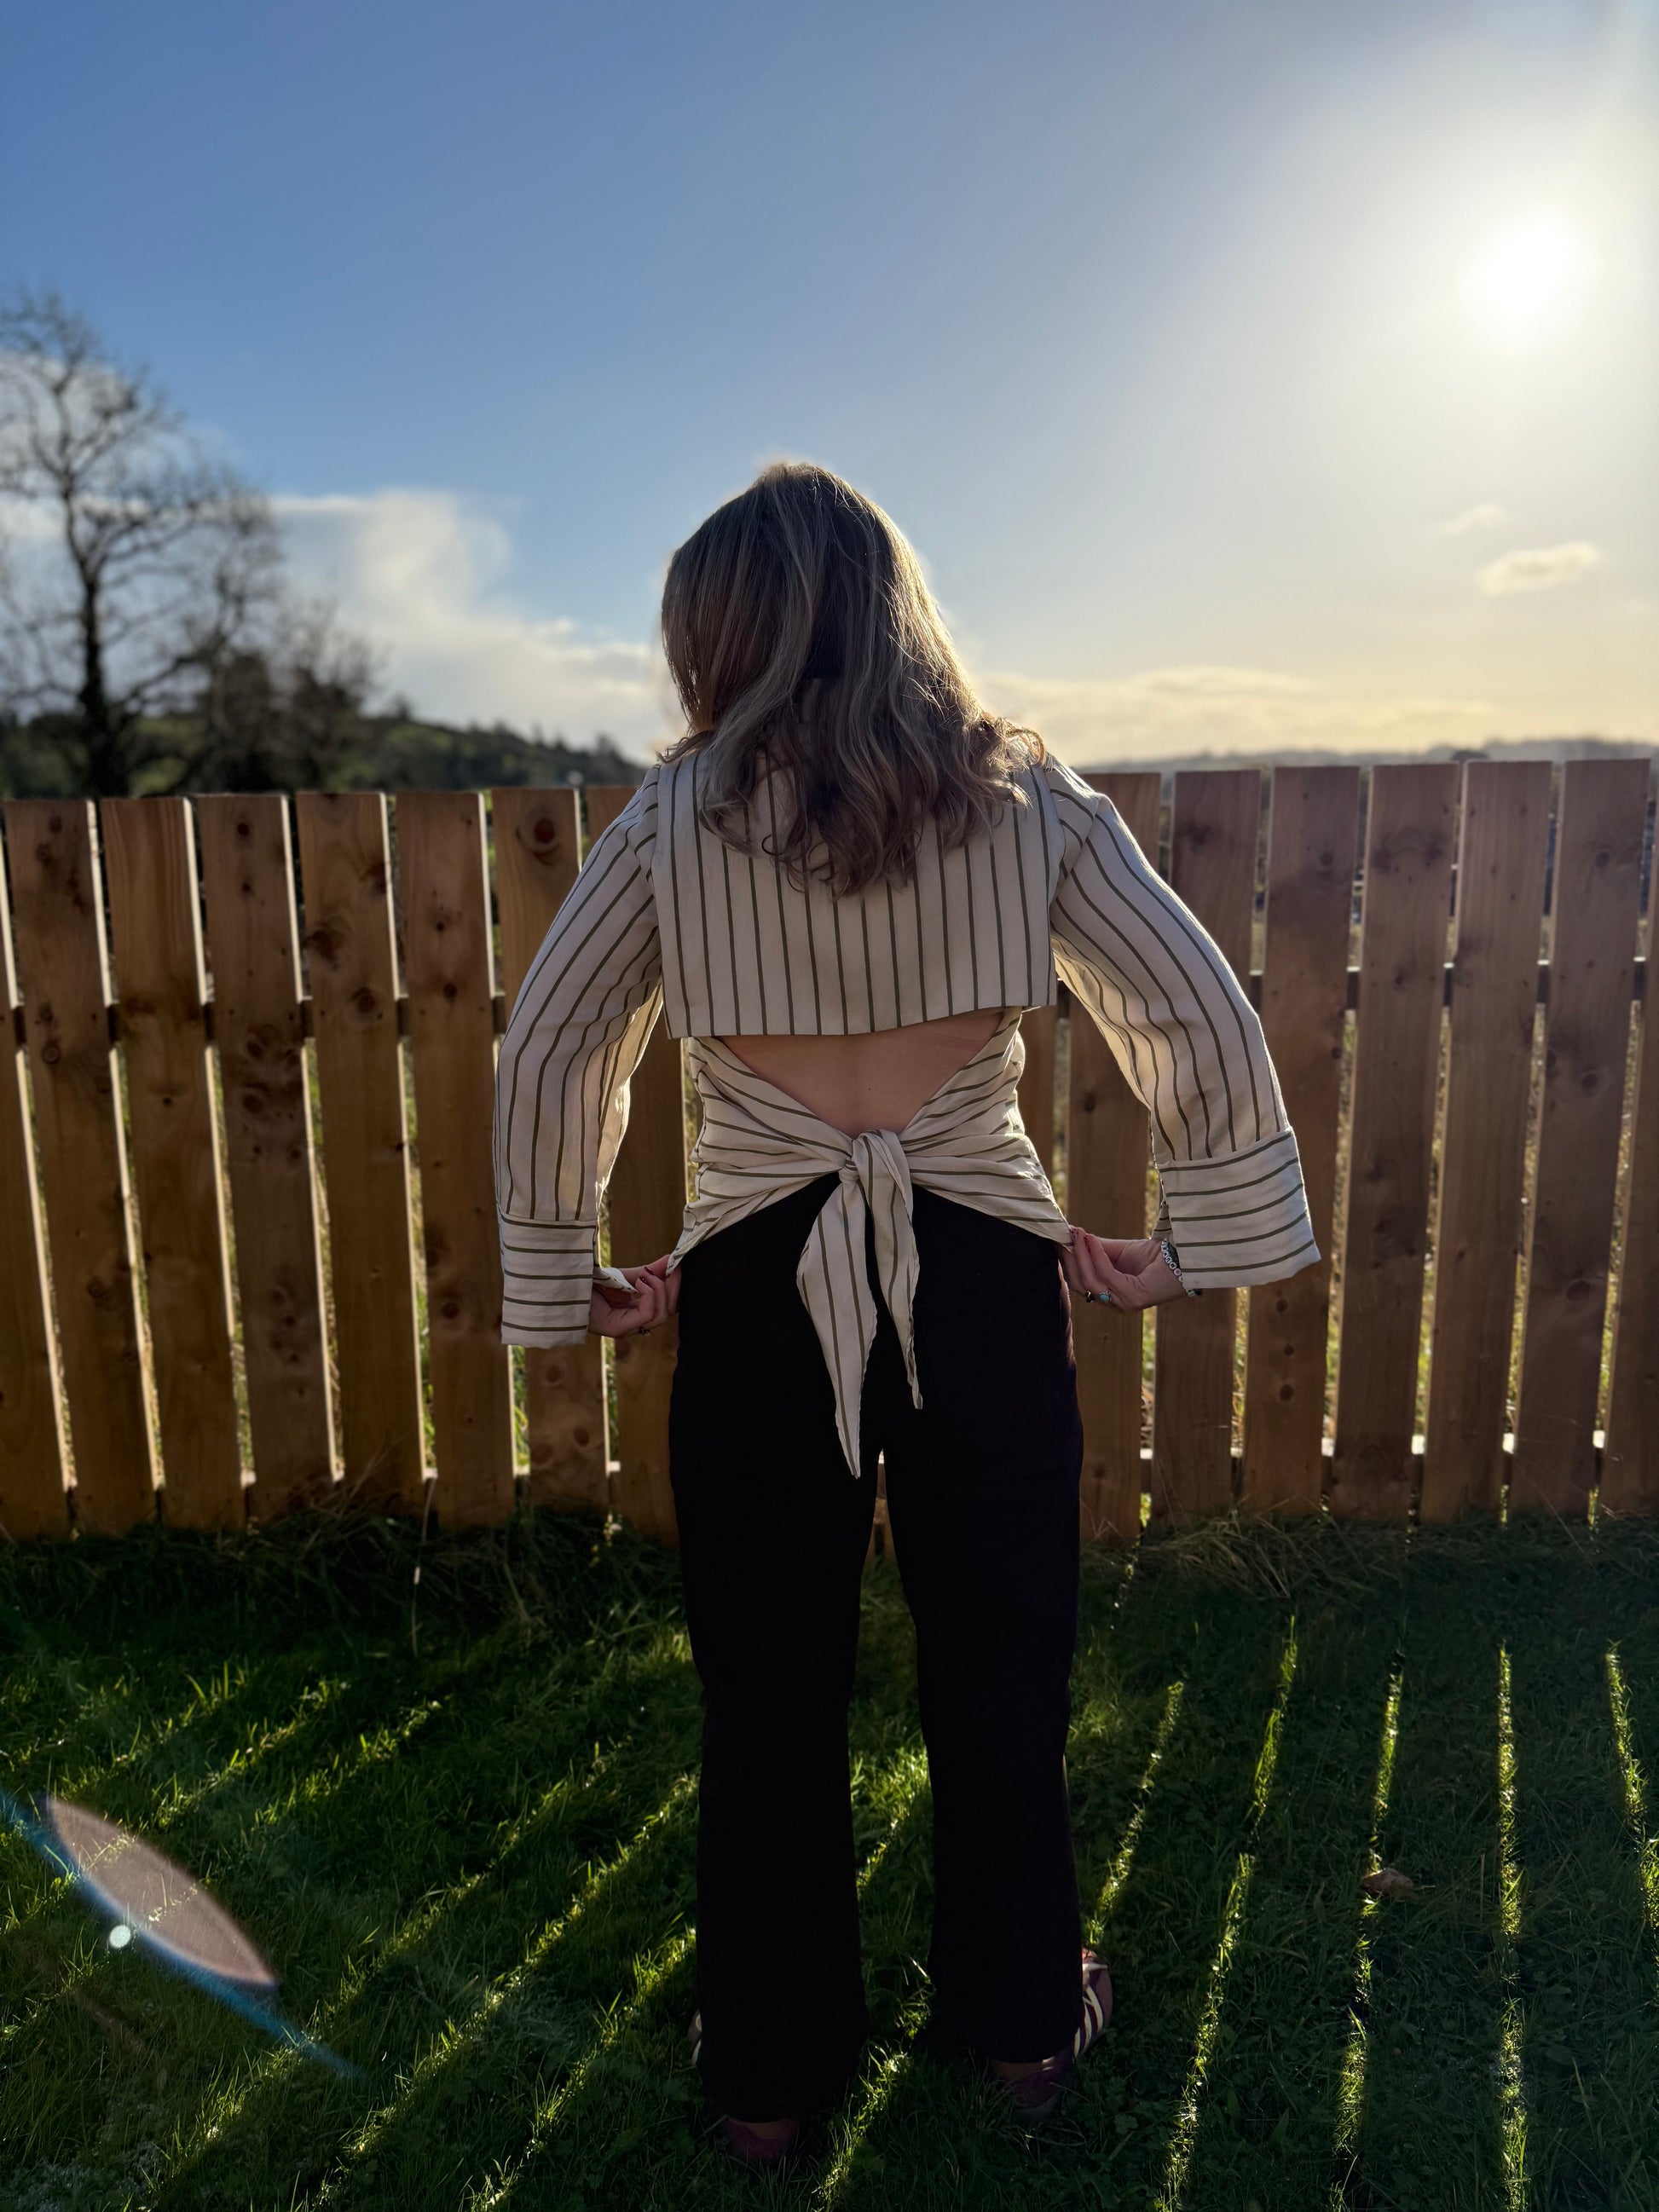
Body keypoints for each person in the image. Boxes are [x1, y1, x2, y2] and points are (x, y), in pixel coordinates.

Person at [494, 463, 1317, 2167]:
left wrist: (564, 1263)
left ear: (712, 631)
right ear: (893, 608)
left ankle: (769, 2072)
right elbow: (1196, 1010)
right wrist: (1194, 1240)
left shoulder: (673, 820)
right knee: (1002, 1657)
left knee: (768, 1676)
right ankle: (1022, 2024)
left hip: (756, 1284)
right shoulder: (1026, 798)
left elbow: (557, 1043)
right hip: (982, 1272)